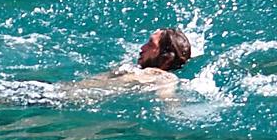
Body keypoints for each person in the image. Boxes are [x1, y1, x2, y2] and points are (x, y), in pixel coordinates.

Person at [55, 26, 203, 99]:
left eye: (150, 44)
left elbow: (167, 98)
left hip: (68, 99)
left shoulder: (165, 77)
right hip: (62, 91)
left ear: (166, 58)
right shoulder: (134, 68)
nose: (142, 47)